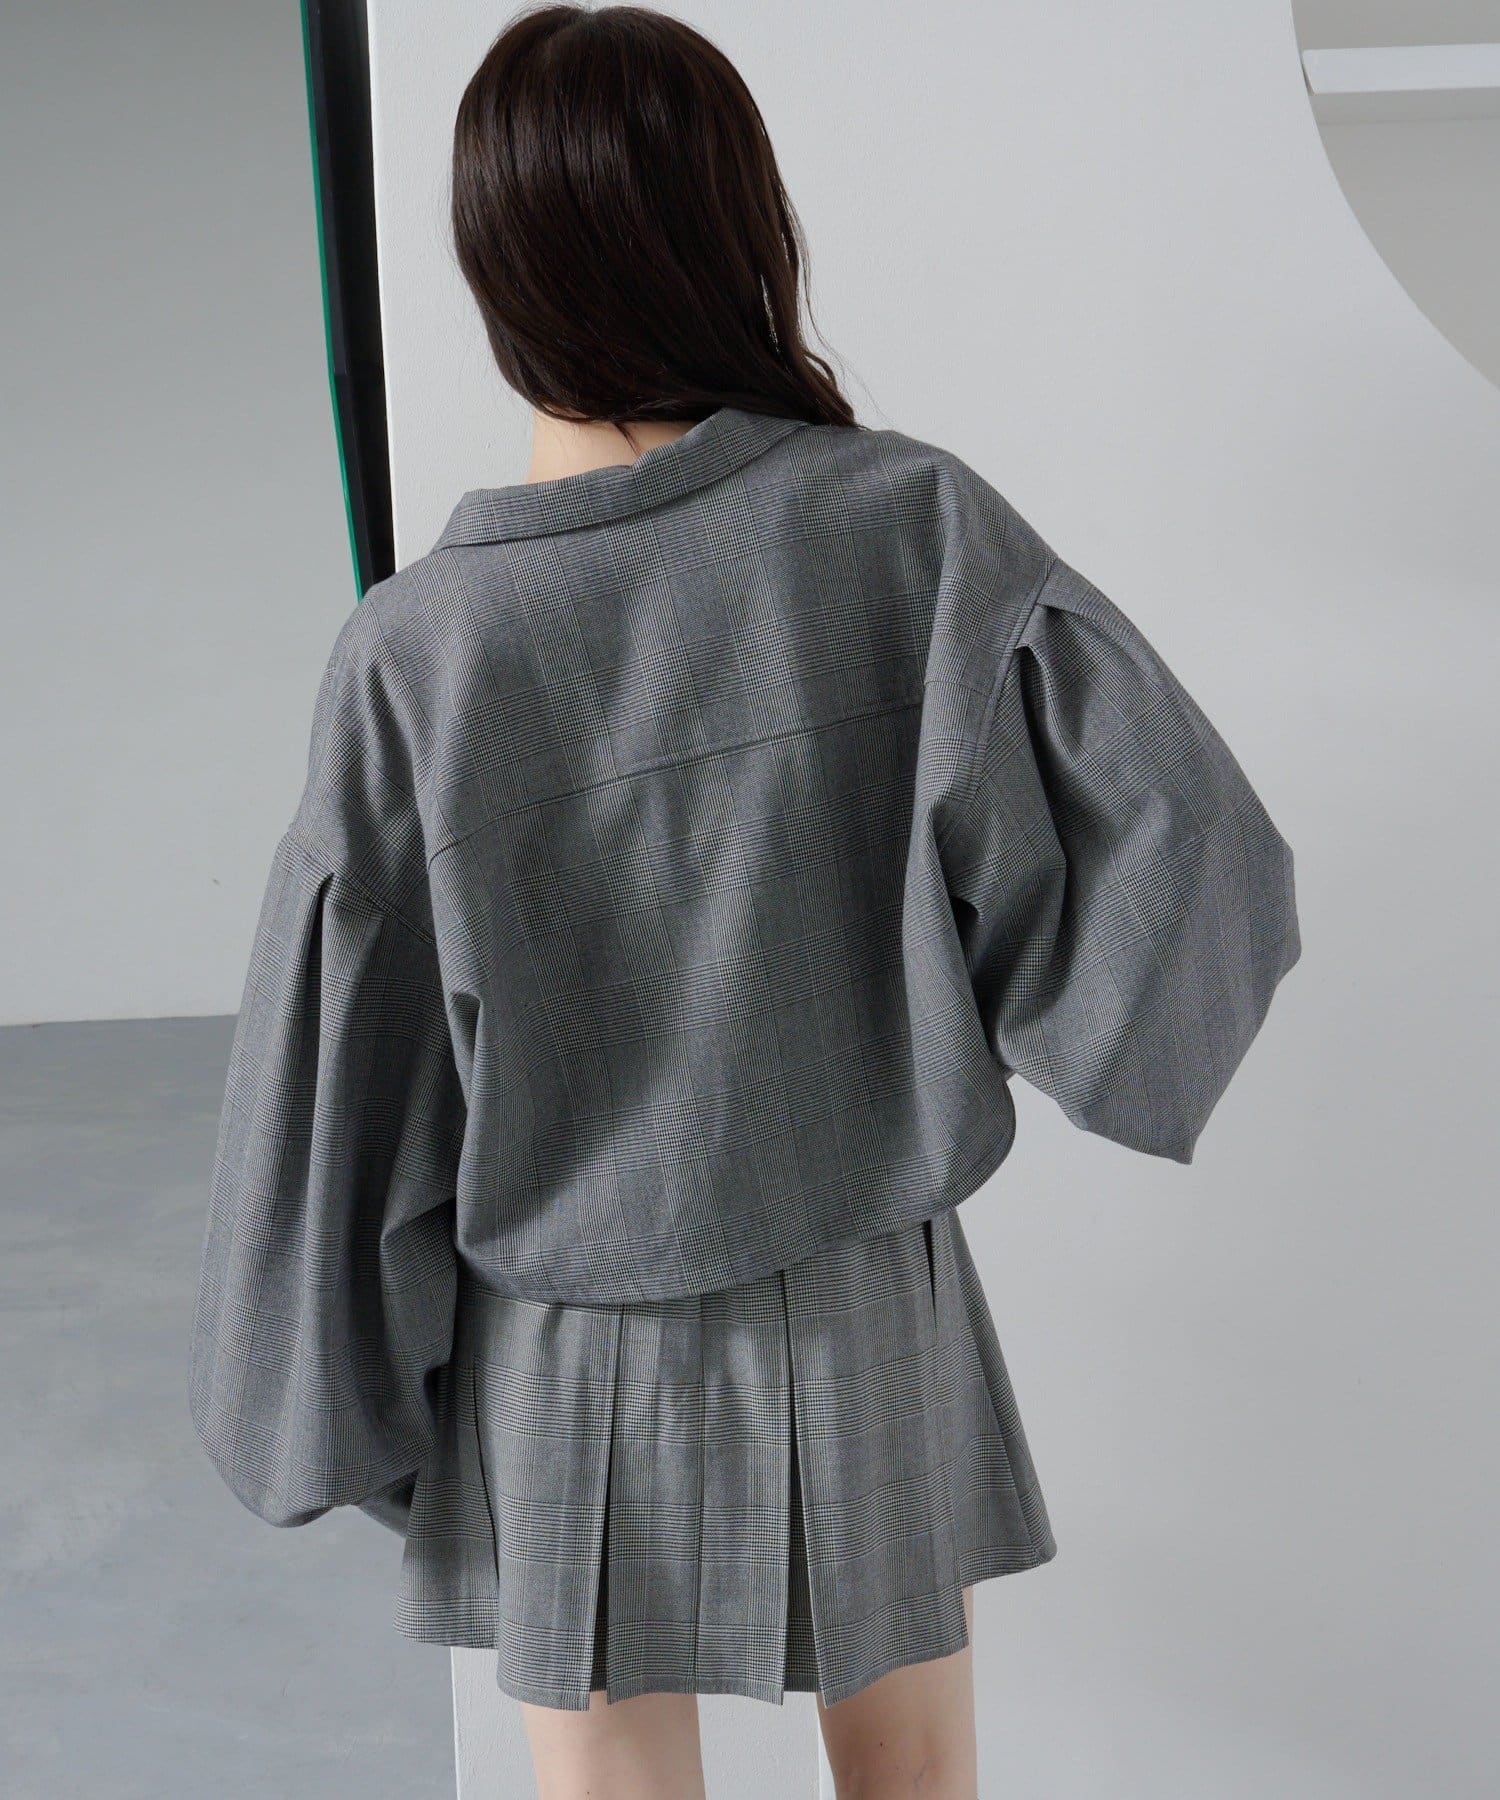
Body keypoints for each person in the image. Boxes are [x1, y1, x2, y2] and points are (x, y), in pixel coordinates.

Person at [187, 5, 1301, 1796]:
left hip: (566, 1349)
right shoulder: (903, 525)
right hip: (864, 1286)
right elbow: (1172, 851)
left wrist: (329, 1396)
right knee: (916, 1780)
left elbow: (349, 1097)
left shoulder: (420, 653)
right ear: (737, 227)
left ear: (493, 262)